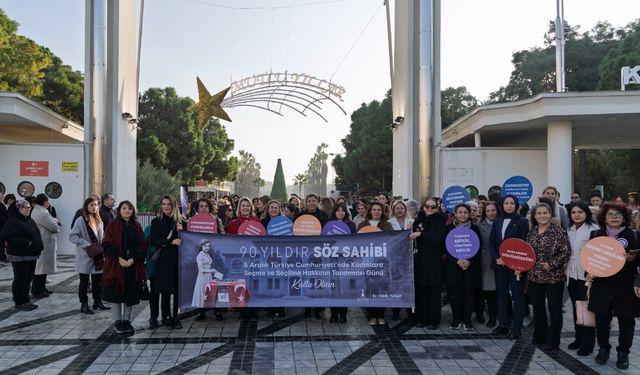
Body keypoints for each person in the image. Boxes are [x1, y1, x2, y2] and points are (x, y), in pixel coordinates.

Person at [587, 203, 640, 369]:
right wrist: (589, 273)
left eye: (618, 214)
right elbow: (589, 258)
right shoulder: (596, 234)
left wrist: (634, 259)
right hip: (602, 284)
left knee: (626, 319)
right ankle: (603, 348)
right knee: (601, 318)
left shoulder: (635, 235)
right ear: (604, 217)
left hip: (626, 285)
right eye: (610, 214)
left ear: (624, 217)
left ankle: (623, 353)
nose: (614, 217)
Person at [526, 203, 571, 351]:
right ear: (535, 216)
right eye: (539, 213)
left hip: (553, 277)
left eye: (545, 213)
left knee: (555, 309)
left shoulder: (558, 231)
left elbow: (566, 252)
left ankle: (553, 340)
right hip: (534, 276)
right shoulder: (532, 232)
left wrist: (552, 264)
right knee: (538, 308)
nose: (542, 215)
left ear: (550, 214)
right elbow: (527, 252)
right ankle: (540, 336)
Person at [101, 201, 147, 335]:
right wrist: (119, 259)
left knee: (129, 294)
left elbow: (142, 245)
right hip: (116, 265)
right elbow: (107, 244)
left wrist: (133, 259)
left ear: (133, 211)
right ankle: (118, 322)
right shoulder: (113, 225)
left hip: (132, 265)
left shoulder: (136, 226)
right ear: (119, 211)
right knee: (116, 293)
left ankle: (127, 321)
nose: (127, 211)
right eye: (124, 208)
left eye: (129, 209)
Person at [489, 195, 529, 340]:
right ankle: (503, 324)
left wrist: (515, 262)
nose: (509, 205)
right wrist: (496, 258)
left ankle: (516, 328)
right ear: (502, 205)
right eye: (506, 203)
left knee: (517, 297)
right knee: (501, 296)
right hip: (500, 265)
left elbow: (524, 244)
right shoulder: (497, 221)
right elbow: (492, 242)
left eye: (512, 203)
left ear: (517, 205)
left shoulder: (522, 221)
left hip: (516, 266)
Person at [566, 201, 598, 356]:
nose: (576, 215)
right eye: (573, 212)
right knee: (576, 306)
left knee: (586, 308)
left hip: (587, 273)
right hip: (571, 273)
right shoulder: (569, 229)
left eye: (580, 212)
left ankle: (588, 343)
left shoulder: (594, 230)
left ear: (587, 213)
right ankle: (578, 338)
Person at [150, 195, 186, 329]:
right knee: (165, 290)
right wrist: (170, 242)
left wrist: (182, 232)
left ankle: (176, 317)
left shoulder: (181, 221)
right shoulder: (156, 222)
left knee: (177, 290)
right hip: (163, 260)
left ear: (173, 205)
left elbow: (187, 240)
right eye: (163, 204)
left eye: (168, 204)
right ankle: (166, 317)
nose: (166, 207)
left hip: (178, 259)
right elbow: (154, 240)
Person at [0, 200, 43, 310]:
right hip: (19, 255)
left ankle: (26, 300)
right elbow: (6, 235)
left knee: (28, 277)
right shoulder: (13, 221)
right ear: (18, 209)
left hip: (31, 254)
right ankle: (19, 302)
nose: (29, 209)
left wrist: (38, 245)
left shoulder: (29, 219)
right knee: (21, 278)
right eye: (26, 207)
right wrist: (26, 243)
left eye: (29, 207)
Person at [444, 204, 482, 331]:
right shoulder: (448, 228)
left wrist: (469, 261)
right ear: (455, 213)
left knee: (469, 294)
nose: (463, 214)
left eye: (465, 212)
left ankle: (467, 320)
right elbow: (446, 248)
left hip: (470, 267)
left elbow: (478, 248)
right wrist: (457, 260)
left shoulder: (475, 229)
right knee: (455, 294)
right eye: (460, 212)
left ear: (469, 214)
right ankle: (456, 319)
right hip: (454, 266)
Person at [410, 198, 446, 329]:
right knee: (421, 290)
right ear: (423, 207)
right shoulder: (418, 220)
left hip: (435, 261)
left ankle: (434, 320)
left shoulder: (441, 220)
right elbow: (413, 238)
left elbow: (438, 239)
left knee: (434, 291)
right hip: (421, 260)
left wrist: (421, 234)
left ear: (437, 208)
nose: (430, 209)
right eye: (427, 206)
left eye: (433, 207)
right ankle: (421, 318)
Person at [69, 197, 109, 314]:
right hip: (86, 255)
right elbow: (72, 236)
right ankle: (84, 304)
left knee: (98, 281)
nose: (94, 207)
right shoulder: (80, 220)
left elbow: (101, 237)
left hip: (98, 256)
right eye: (91, 205)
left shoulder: (99, 220)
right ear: (86, 206)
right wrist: (87, 245)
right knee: (84, 282)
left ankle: (97, 301)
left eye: (96, 205)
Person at [358, 201, 393, 325]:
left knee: (381, 287)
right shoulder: (363, 224)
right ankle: (372, 315)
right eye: (374, 210)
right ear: (370, 211)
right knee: (369, 288)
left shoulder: (387, 225)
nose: (376, 212)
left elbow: (391, 241)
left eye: (379, 209)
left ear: (382, 212)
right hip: (367, 261)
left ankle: (381, 315)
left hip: (382, 261)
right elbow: (358, 242)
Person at [228, 197, 262, 320]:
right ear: (239, 208)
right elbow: (230, 242)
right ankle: (242, 310)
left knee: (253, 284)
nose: (246, 208)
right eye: (243, 206)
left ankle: (253, 310)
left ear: (251, 208)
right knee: (241, 284)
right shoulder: (233, 223)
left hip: (254, 259)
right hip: (239, 259)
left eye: (248, 205)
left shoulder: (257, 222)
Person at [328, 203, 356, 323]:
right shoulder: (328, 225)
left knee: (344, 286)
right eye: (338, 210)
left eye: (343, 210)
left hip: (346, 259)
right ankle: (334, 313)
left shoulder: (351, 225)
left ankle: (343, 313)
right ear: (334, 212)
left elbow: (355, 241)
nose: (340, 212)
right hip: (332, 259)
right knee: (333, 285)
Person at [388, 200, 414, 320]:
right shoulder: (389, 223)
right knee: (396, 285)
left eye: (402, 208)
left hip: (409, 257)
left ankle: (410, 310)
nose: (399, 210)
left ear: (405, 209)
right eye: (397, 208)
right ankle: (396, 311)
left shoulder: (412, 222)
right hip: (394, 258)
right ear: (393, 210)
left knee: (408, 284)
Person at [30, 194, 60, 297]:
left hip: (42, 241)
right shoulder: (42, 213)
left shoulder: (38, 211)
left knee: (43, 267)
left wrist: (54, 221)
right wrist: (55, 221)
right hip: (44, 242)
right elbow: (54, 227)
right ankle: (37, 290)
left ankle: (42, 288)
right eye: (48, 201)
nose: (49, 203)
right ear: (44, 202)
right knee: (41, 268)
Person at [477, 201, 498, 328]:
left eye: (493, 210)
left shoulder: (501, 223)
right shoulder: (479, 225)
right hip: (482, 261)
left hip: (497, 261)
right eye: (488, 211)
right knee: (481, 291)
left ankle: (493, 317)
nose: (491, 213)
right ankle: (480, 314)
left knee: (492, 292)